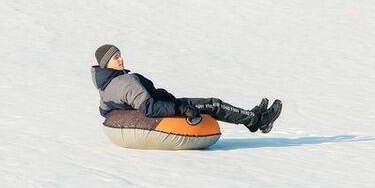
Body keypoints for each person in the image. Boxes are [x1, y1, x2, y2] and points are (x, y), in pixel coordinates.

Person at [91, 45, 282, 134]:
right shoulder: (125, 82)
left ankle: (250, 116)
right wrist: (180, 109)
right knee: (213, 104)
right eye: (116, 57)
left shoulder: (105, 85)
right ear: (106, 63)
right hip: (167, 110)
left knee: (210, 104)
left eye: (120, 55)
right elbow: (148, 108)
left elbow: (104, 110)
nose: (121, 59)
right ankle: (258, 121)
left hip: (165, 105)